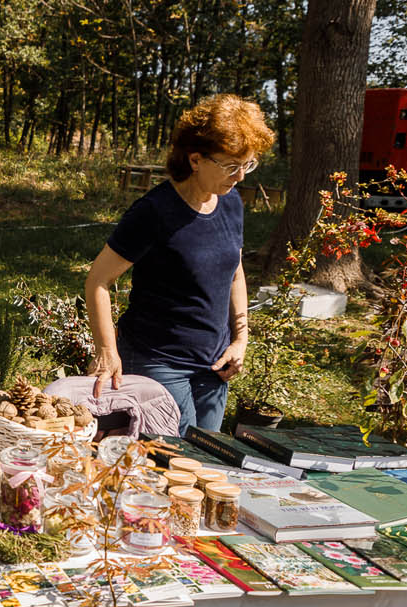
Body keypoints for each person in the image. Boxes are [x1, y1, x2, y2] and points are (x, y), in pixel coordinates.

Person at [84, 94, 275, 434]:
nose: (241, 176)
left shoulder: (230, 203)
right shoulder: (154, 212)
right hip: (158, 361)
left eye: (248, 164)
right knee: (173, 463)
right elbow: (98, 279)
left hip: (214, 367)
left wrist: (241, 339)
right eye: (232, 165)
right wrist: (106, 352)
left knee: (205, 461)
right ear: (196, 159)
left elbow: (235, 272)